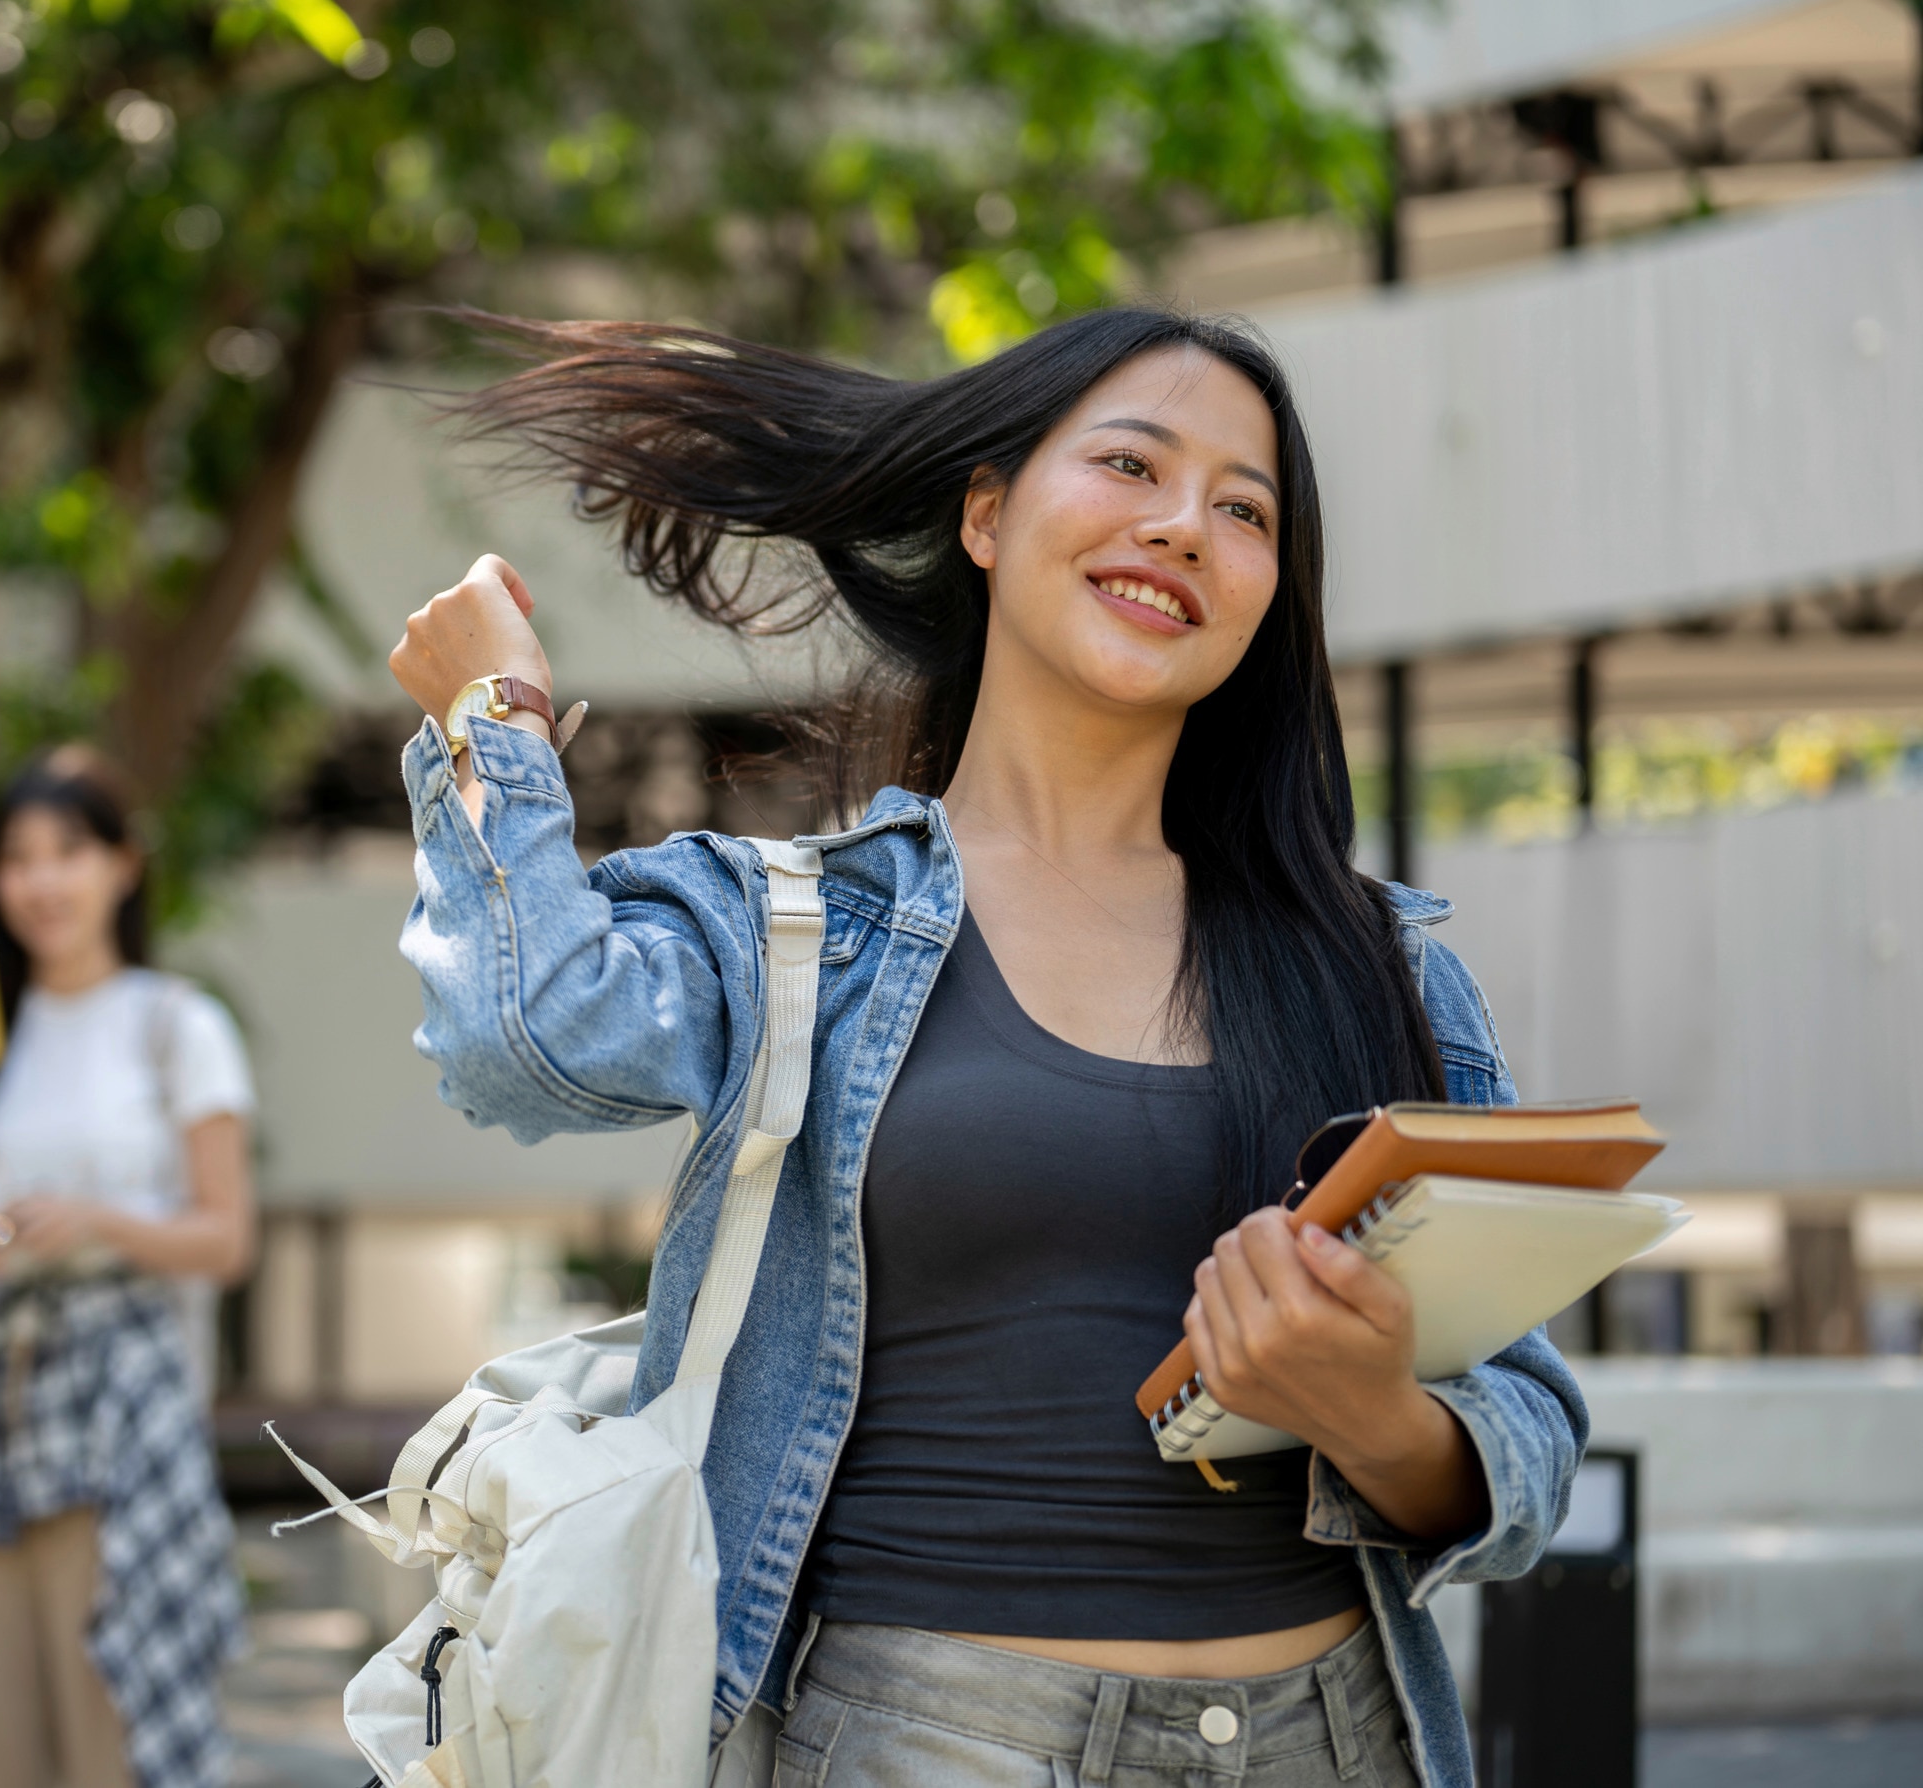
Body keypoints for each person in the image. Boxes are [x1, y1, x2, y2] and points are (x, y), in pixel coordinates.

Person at [384, 309, 1586, 1788]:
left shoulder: (1379, 967)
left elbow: (1525, 1440)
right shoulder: (800, 930)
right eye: (1132, 465)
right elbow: (524, 1046)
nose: (1184, 528)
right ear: (987, 510)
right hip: (928, 1742)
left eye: (1244, 509)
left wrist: (1375, 1416)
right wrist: (485, 725)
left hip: (1338, 1741)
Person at [0, 747, 256, 1788]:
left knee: (115, 1729)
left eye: (66, 852)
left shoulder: (178, 1023)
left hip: (122, 1403)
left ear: (122, 865)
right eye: (16, 858)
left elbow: (226, 1235)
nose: (42, 881)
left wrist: (96, 1222)